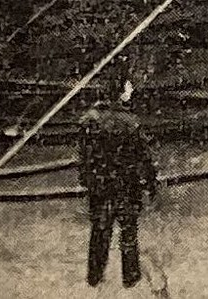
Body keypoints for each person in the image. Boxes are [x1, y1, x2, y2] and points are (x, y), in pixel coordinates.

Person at [78, 73, 158, 288]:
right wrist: (150, 183)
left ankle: (94, 276)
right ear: (122, 92)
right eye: (129, 88)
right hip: (126, 185)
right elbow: (143, 156)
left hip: (101, 185)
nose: (131, 91)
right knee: (128, 231)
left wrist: (88, 181)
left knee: (100, 231)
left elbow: (84, 157)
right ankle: (130, 277)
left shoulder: (90, 120)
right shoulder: (130, 122)